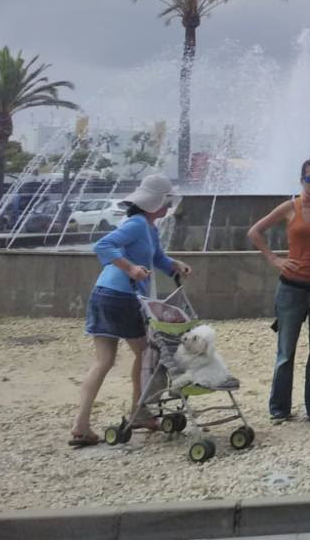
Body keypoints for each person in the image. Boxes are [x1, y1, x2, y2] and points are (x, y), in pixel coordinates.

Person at [70, 174, 190, 447]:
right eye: (166, 202)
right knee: (147, 353)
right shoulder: (136, 224)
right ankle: (140, 411)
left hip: (103, 294)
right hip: (121, 297)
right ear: (156, 202)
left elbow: (157, 257)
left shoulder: (149, 228)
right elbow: (103, 245)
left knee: (104, 361)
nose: (168, 207)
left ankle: (82, 425)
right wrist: (131, 269)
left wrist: (175, 265)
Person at [247, 158, 310, 425]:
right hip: (291, 287)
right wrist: (274, 259)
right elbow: (255, 232)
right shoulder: (291, 207)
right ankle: (279, 408)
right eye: (309, 179)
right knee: (286, 351)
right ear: (301, 180)